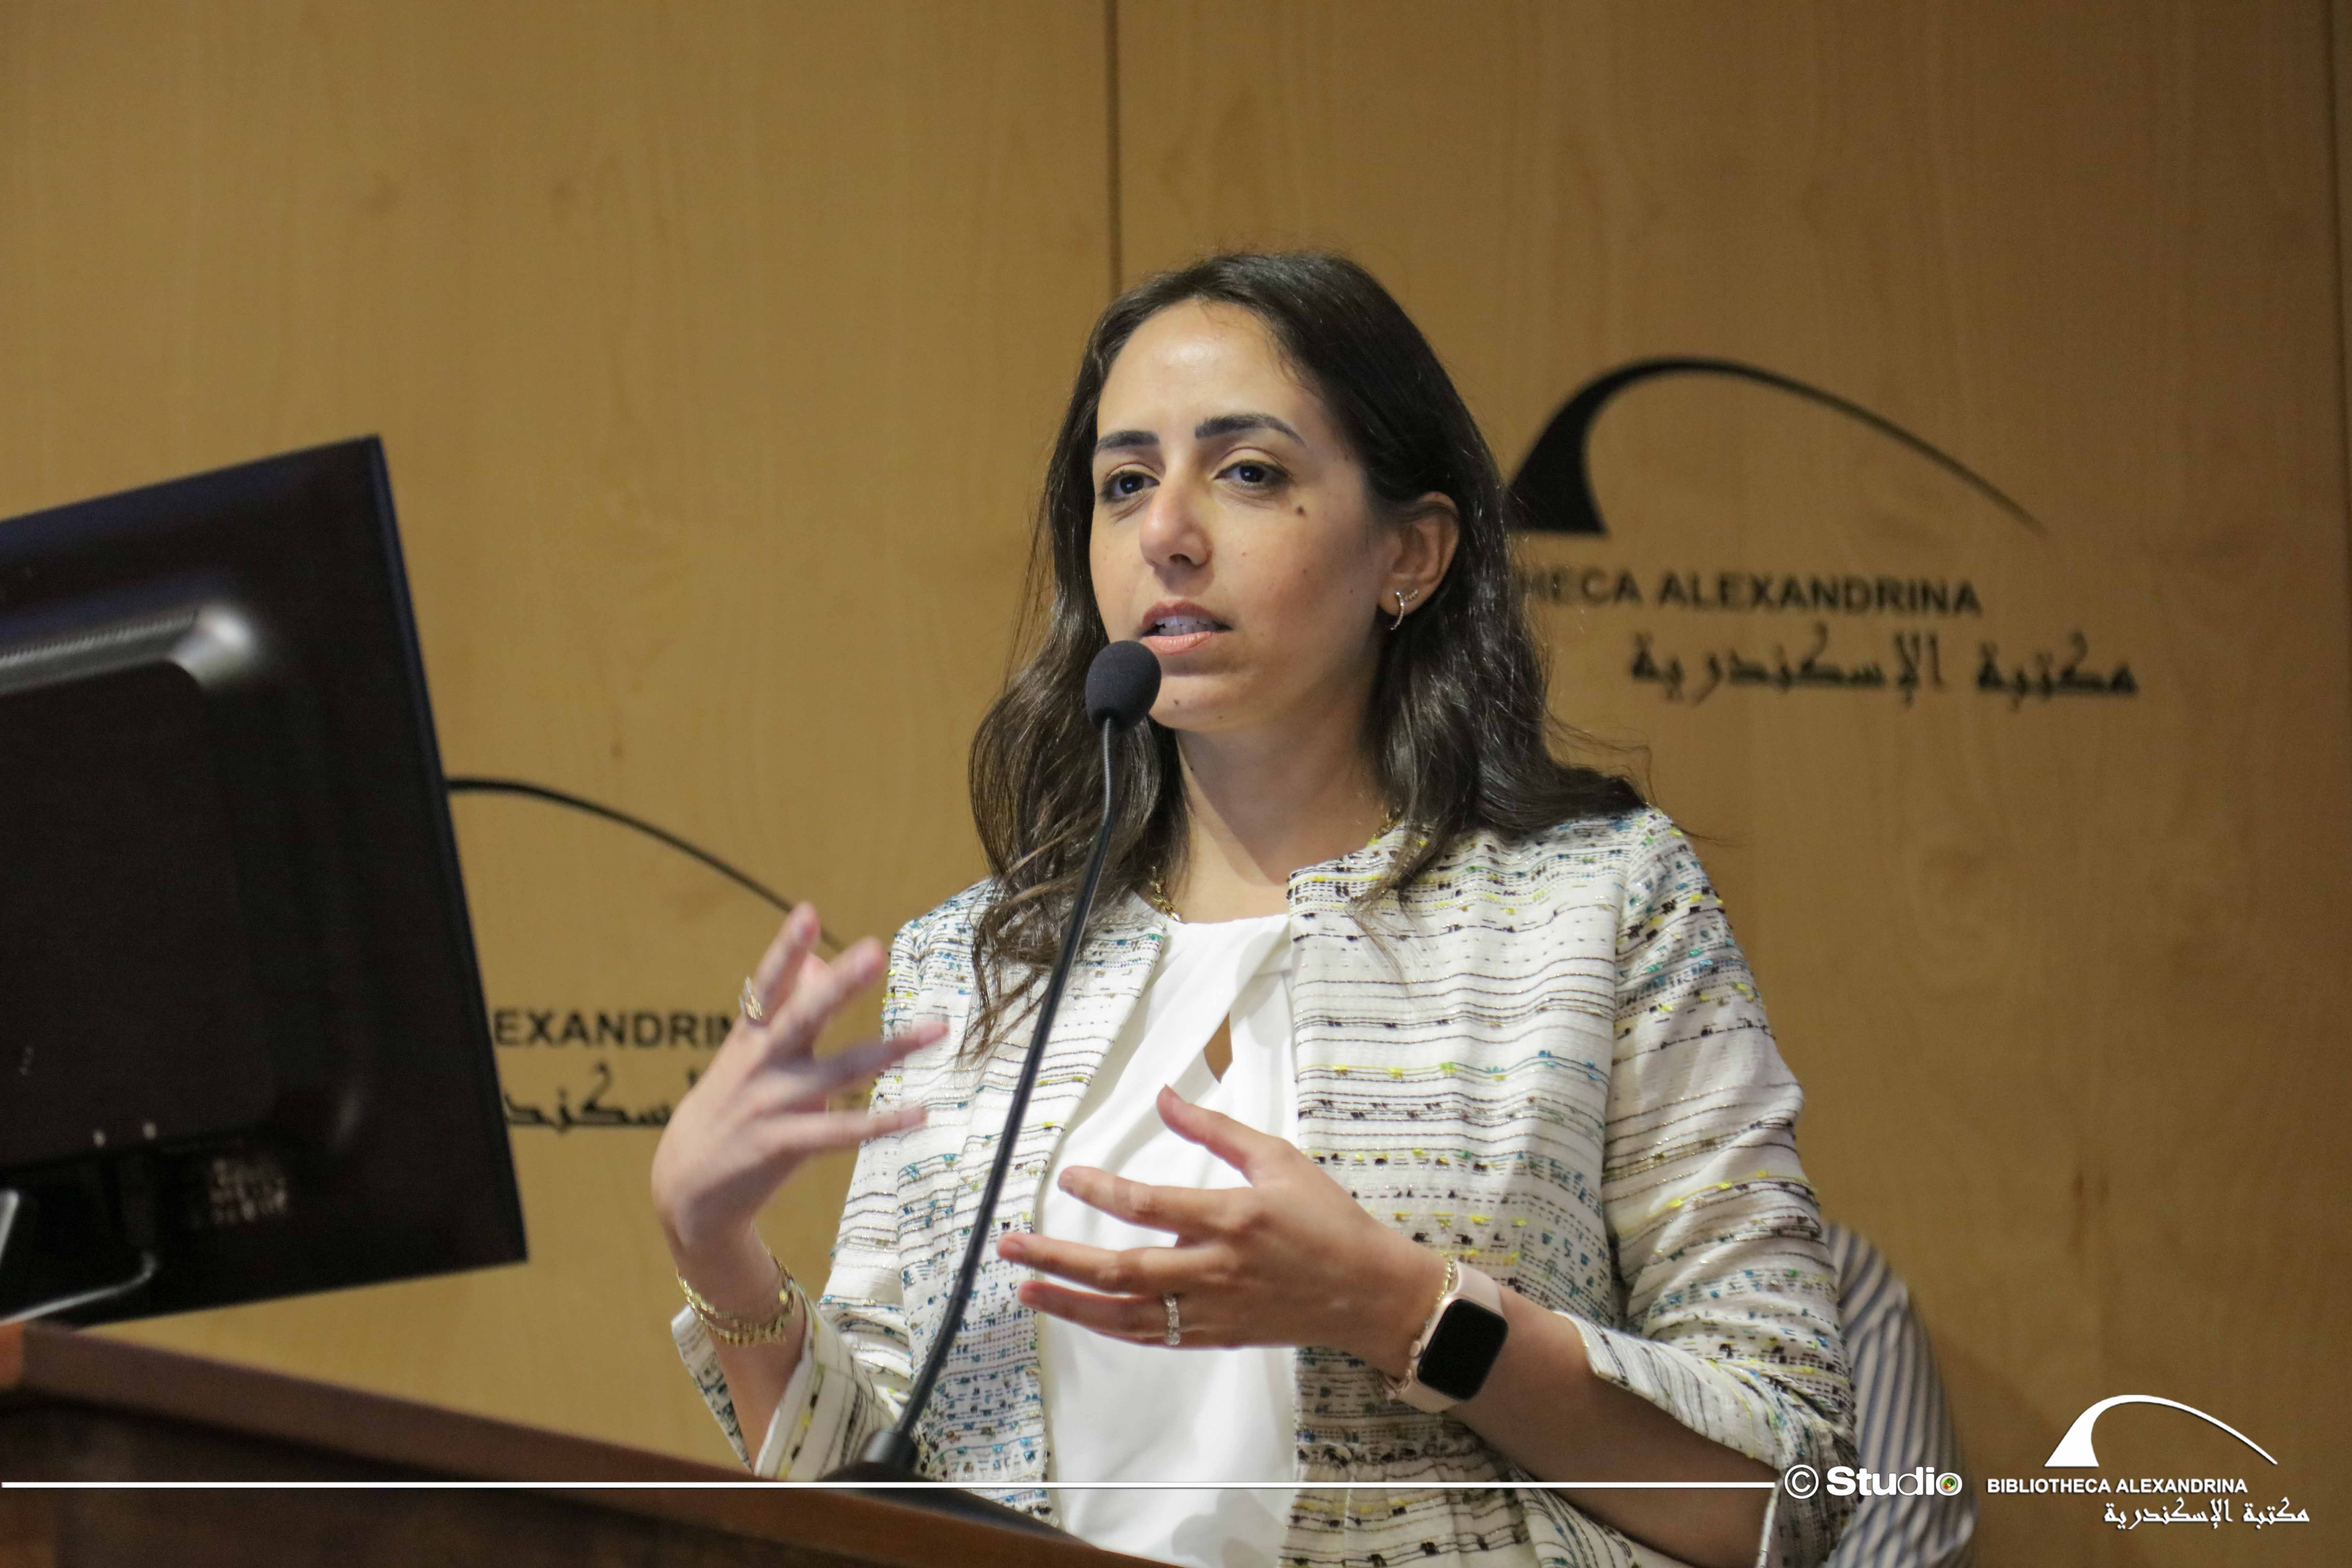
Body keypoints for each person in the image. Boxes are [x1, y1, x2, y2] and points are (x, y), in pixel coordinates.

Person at [650, 252, 1855, 1568]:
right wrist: (720, 1252)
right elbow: (877, 1497)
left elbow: (1789, 1488)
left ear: (1410, 552)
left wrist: (1400, 1308)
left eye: (1247, 472)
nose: (1166, 531)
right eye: (1125, 483)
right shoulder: (983, 960)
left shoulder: (1599, 904)